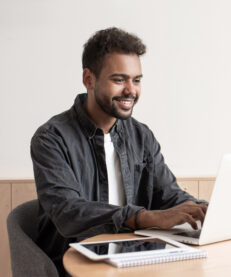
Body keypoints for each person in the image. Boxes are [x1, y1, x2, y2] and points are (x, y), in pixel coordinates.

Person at [30, 27, 207, 275]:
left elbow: (169, 196)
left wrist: (206, 210)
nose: (130, 90)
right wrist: (145, 217)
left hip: (134, 265)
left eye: (136, 80)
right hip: (74, 268)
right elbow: (68, 212)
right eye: (119, 79)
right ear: (88, 79)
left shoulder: (141, 136)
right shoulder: (52, 138)